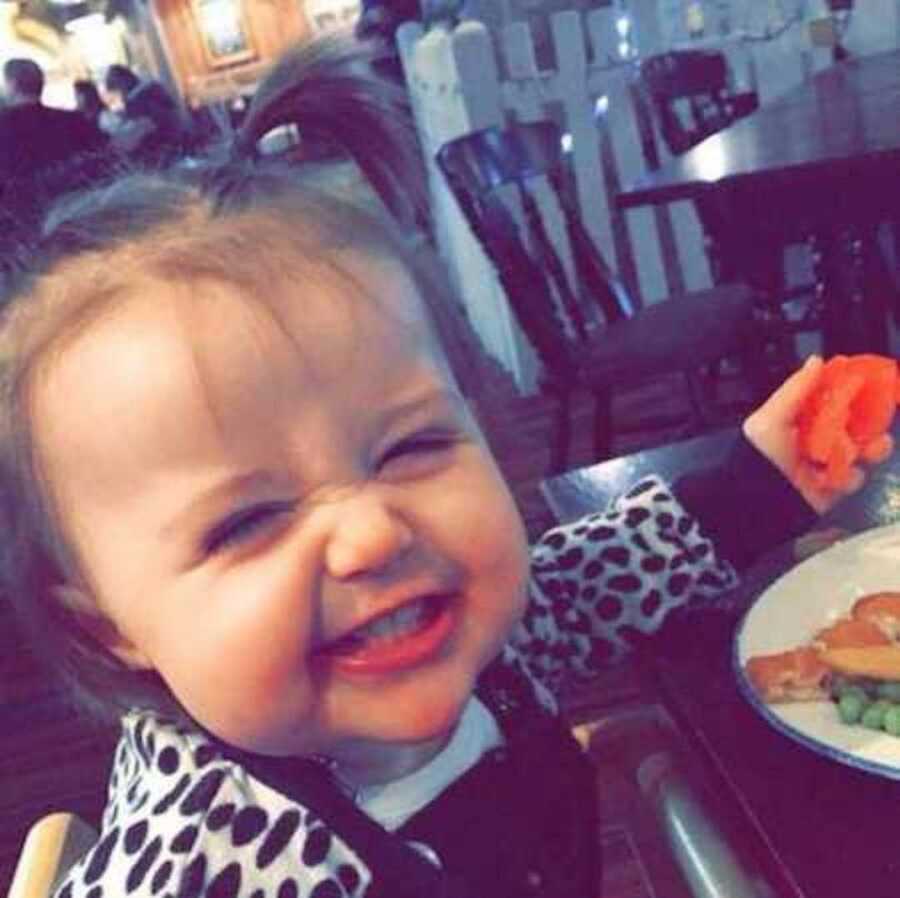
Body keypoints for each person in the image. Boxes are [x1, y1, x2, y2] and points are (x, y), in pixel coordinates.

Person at [0, 38, 890, 898]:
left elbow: (581, 588)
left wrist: (760, 483)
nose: (371, 531)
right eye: (244, 522)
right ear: (105, 624)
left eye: (410, 447)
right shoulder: (214, 860)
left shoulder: (459, 639)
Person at [0, 59, 107, 183]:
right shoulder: (74, 120)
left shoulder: (4, 127)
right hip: (85, 196)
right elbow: (106, 157)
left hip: (32, 201)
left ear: (12, 84)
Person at [102, 63, 184, 166]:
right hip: (176, 139)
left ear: (124, 81)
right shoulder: (152, 86)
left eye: (118, 87)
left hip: (163, 148)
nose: (121, 94)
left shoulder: (137, 98)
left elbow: (145, 127)